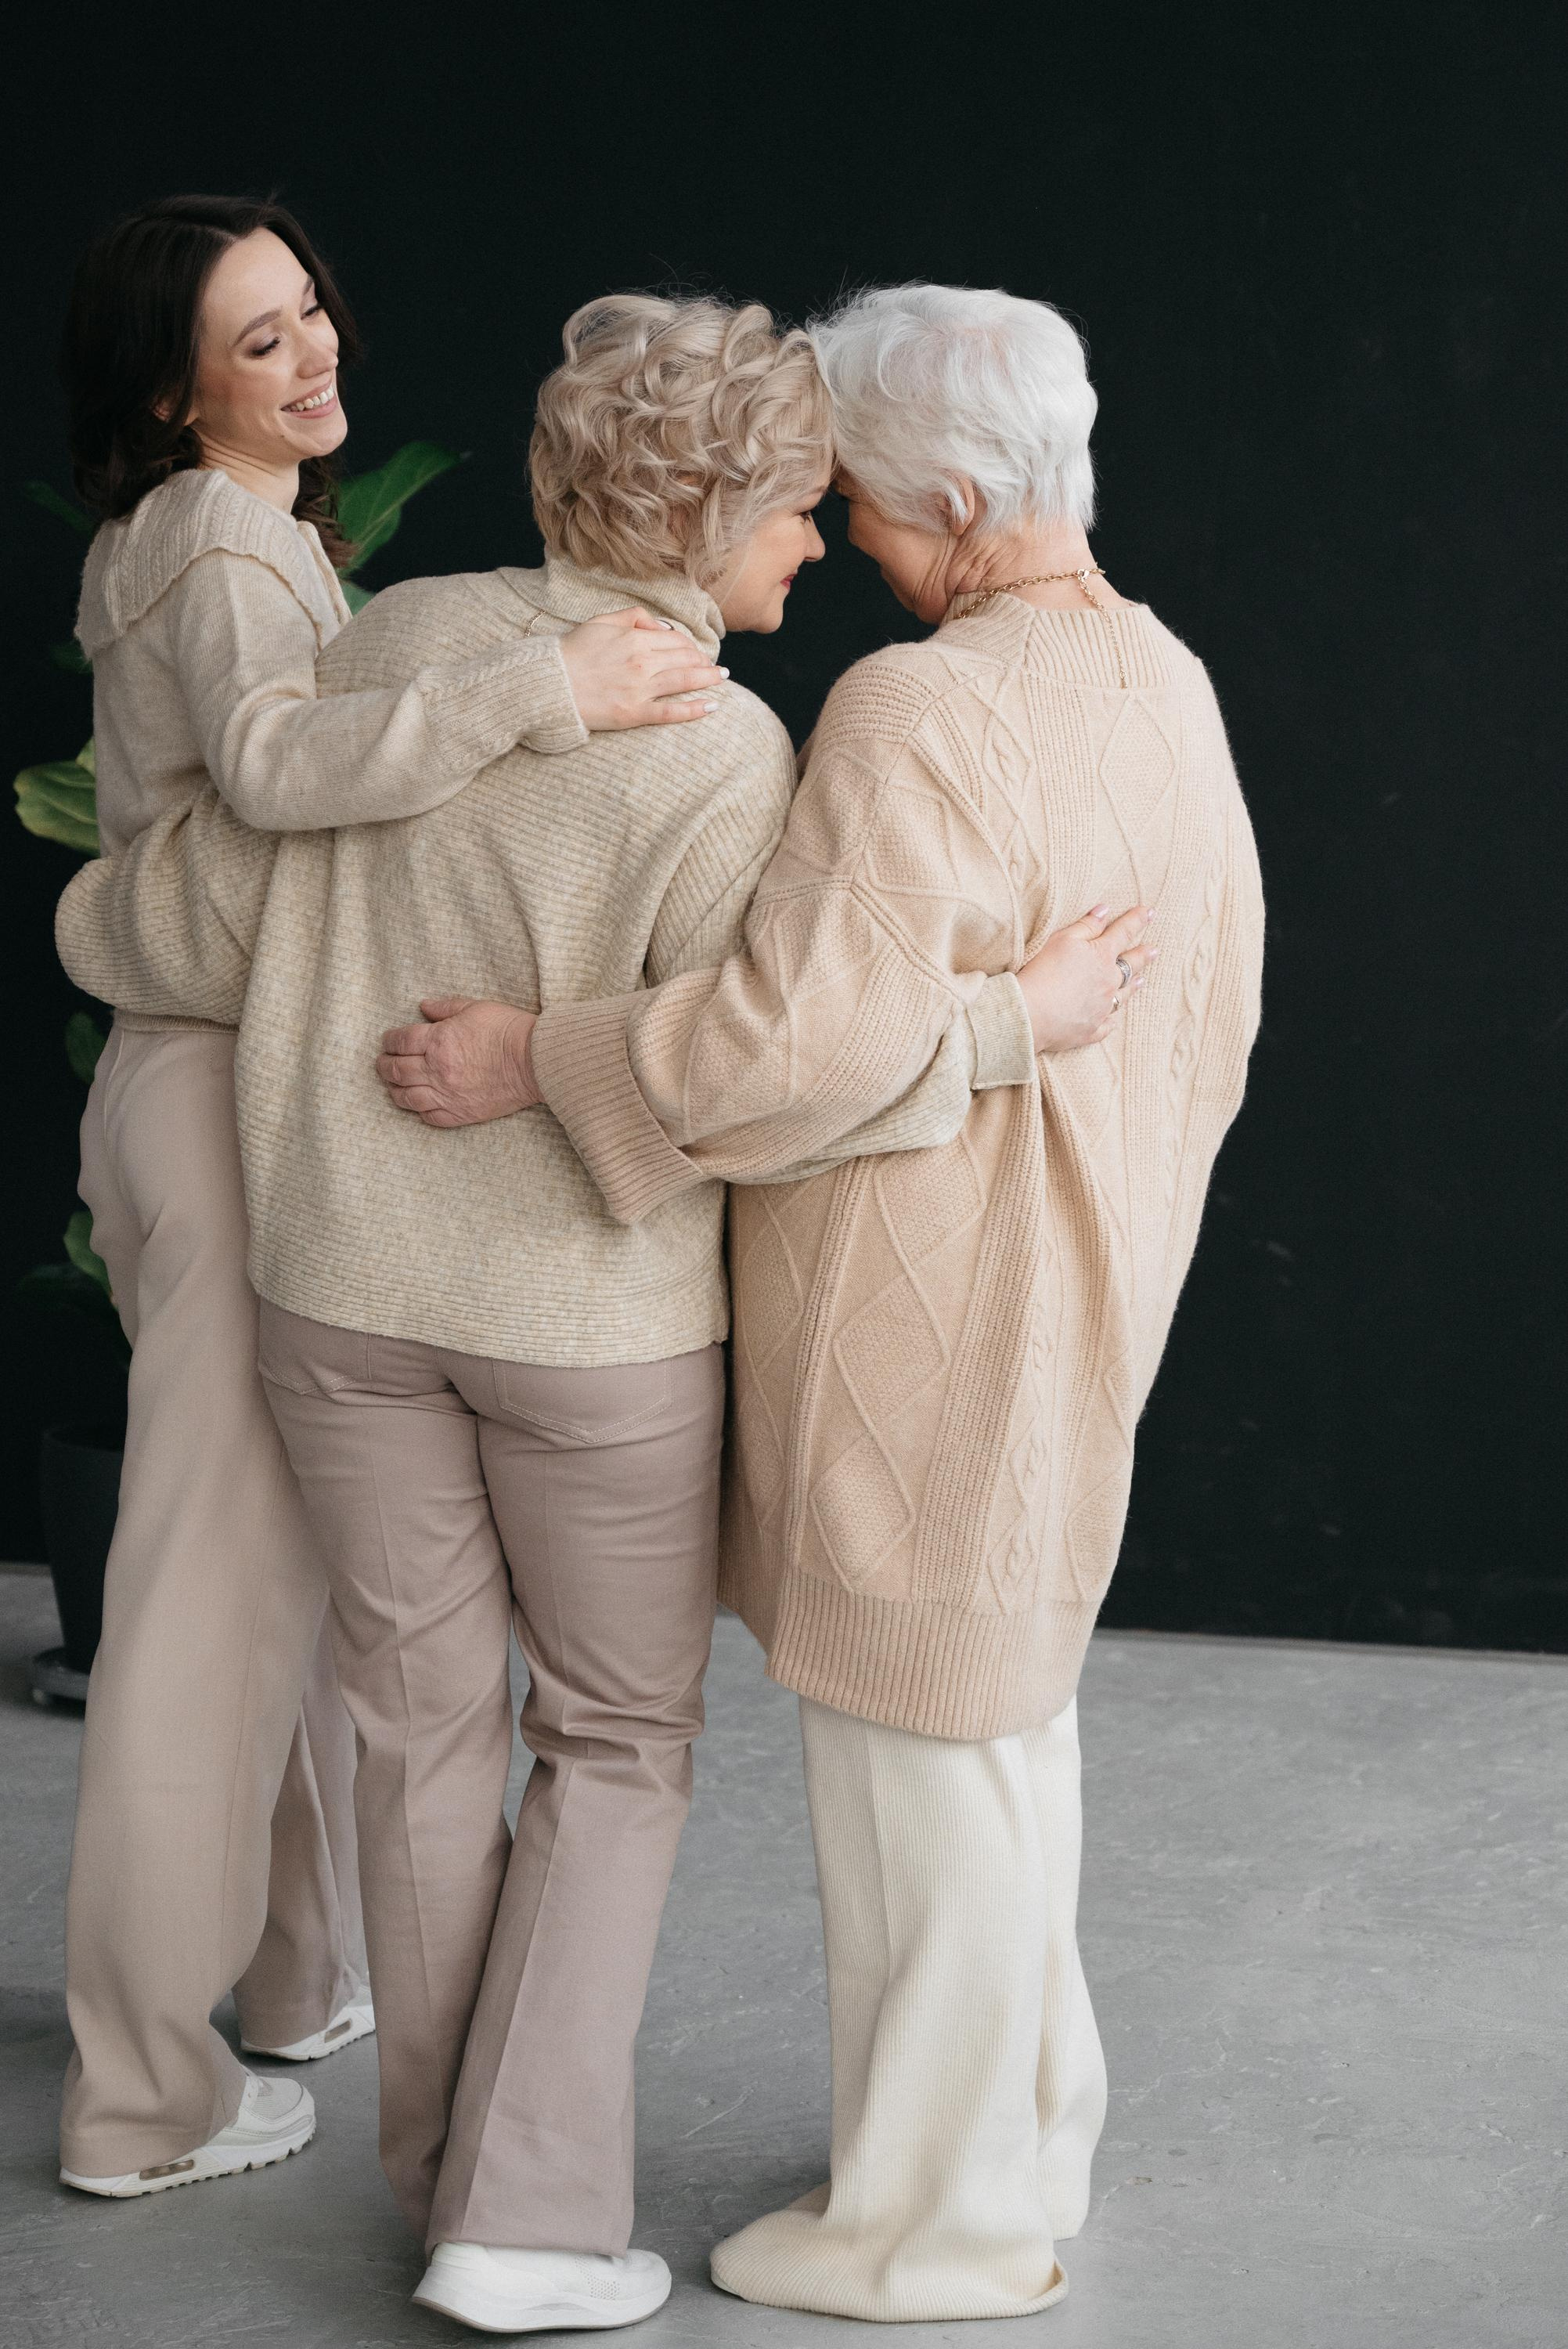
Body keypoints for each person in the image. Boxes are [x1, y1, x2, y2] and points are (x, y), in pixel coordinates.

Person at [55, 289, 1136, 2333]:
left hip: (337, 1299)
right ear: (709, 515)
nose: (815, 547)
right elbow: (777, 1066)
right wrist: (1018, 1021)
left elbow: (187, 902)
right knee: (618, 1744)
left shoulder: (385, 645)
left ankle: (445, 2181)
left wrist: (100, 917)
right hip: (588, 1328)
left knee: (415, 1733)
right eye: (799, 510)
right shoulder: (724, 751)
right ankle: (527, 2227)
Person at [376, 281, 1265, 2324]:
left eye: (856, 494)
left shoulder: (918, 711)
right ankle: (1019, 2141)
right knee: (997, 1743)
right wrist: (1103, 1167)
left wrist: (541, 1058)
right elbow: (1210, 1017)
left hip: (923, 1327)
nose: (838, 532)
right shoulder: (1164, 680)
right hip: (1086, 1288)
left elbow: (787, 1046)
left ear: (950, 501)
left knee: (910, 1776)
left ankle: (927, 2234)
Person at [54, 198, 721, 2204]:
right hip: (211, 1098)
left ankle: (284, 1984)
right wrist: (548, 695)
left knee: (269, 1582)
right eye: (259, 341)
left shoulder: (208, 532)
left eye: (311, 305)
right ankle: (136, 2099)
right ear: (179, 392)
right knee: (199, 1610)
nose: (314, 349)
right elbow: (275, 771)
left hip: (197, 1091)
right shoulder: (223, 537)